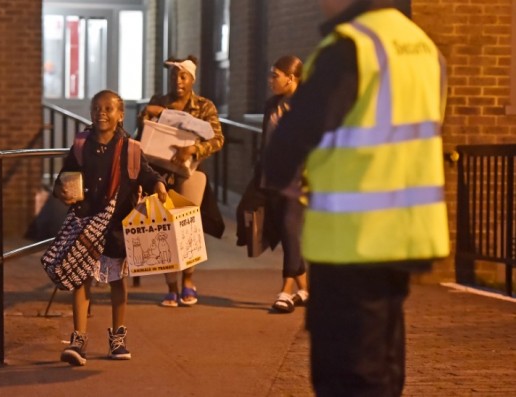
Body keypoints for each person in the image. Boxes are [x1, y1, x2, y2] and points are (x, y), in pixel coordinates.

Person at [263, 1, 449, 395]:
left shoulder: (351, 47)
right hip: (406, 232)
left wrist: (284, 179)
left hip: (354, 237)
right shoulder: (420, 46)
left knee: (347, 371)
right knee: (383, 358)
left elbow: (292, 139)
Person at [53, 89, 168, 366]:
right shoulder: (82, 145)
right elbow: (66, 174)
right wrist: (63, 190)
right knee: (81, 279)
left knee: (117, 280)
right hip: (86, 221)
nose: (101, 113)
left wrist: (159, 185)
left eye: (108, 108)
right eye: (96, 108)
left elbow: (147, 173)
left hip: (116, 224)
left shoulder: (130, 148)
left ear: (120, 115)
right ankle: (78, 339)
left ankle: (118, 337)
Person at [137, 55, 224, 308]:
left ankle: (188, 280)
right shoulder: (157, 101)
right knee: (164, 227)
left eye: (183, 75)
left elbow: (217, 138)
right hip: (159, 171)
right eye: (174, 75)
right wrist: (146, 115)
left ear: (192, 79)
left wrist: (193, 150)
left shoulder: (204, 106)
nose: (178, 80)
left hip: (191, 173)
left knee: (187, 226)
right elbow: (143, 133)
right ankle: (171, 287)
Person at [236, 55, 308, 313]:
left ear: (291, 78)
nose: (270, 81)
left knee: (289, 228)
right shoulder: (271, 105)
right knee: (257, 220)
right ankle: (305, 288)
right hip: (269, 177)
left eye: (274, 76)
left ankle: (286, 291)